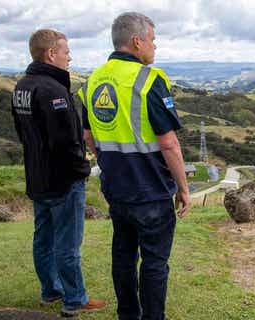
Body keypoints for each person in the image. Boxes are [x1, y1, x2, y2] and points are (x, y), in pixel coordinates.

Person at [78, 12, 190, 320]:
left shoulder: (93, 82)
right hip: (152, 190)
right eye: (153, 40)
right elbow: (168, 143)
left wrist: (108, 164)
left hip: (117, 189)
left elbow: (88, 135)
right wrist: (183, 188)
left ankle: (128, 315)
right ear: (137, 41)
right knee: (154, 262)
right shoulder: (149, 79)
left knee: (123, 256)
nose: (155, 47)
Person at [11, 29, 106, 317]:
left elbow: (23, 134)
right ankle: (74, 299)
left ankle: (50, 291)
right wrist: (82, 168)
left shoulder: (22, 87)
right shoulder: (54, 91)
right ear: (51, 53)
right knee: (68, 243)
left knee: (43, 238)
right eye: (66, 52)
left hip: (37, 177)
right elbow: (66, 141)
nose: (70, 57)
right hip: (63, 180)